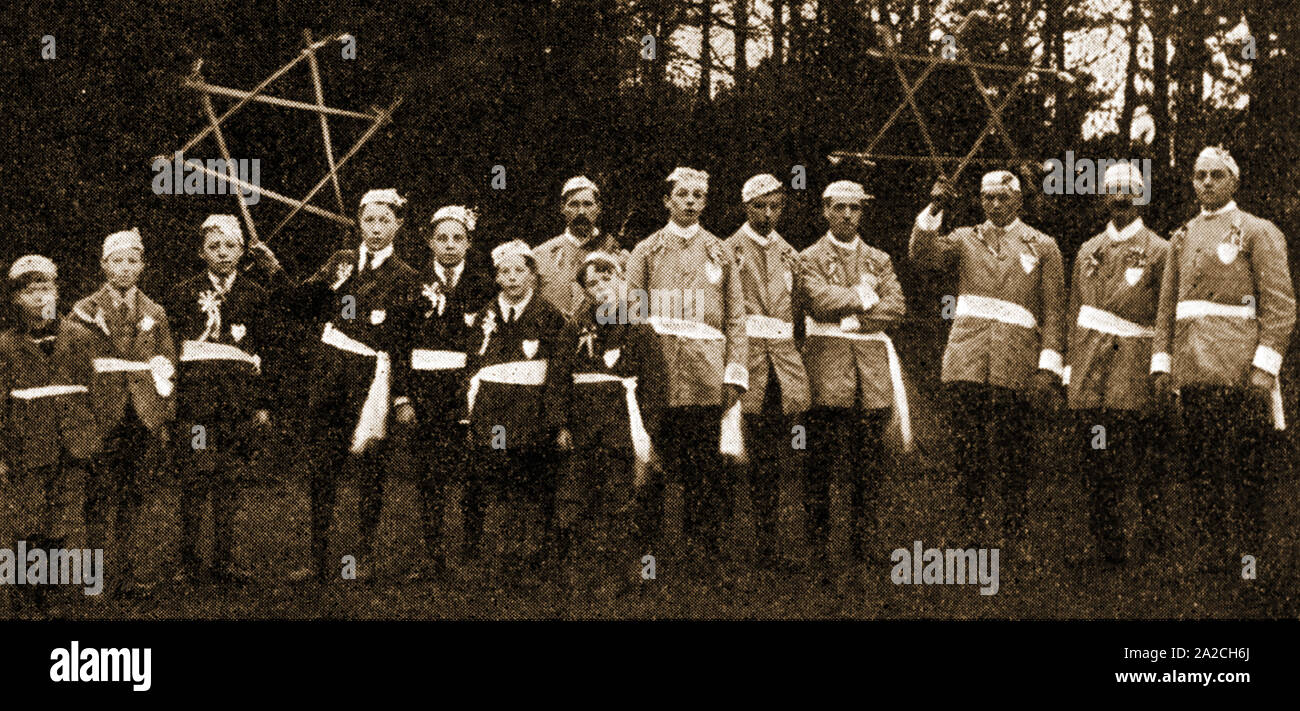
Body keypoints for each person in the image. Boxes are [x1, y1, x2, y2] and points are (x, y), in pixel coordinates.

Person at [256, 189, 421, 584]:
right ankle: (317, 559)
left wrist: (400, 393)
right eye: (369, 220)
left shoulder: (407, 278)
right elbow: (303, 302)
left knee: (371, 467)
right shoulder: (342, 263)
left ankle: (363, 555)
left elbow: (403, 343)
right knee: (322, 467)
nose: (376, 229)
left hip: (374, 377)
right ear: (359, 223)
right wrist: (273, 268)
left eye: (385, 221)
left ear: (398, 224)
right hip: (330, 374)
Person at [1150, 146, 1295, 574]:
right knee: (1202, 466)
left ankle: (1250, 560)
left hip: (1240, 371)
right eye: (1199, 175)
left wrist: (1263, 368)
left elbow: (1281, 306)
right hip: (1193, 369)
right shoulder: (1182, 236)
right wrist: (1163, 365)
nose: (1207, 183)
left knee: (1246, 471)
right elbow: (1167, 307)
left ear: (1234, 181)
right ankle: (1211, 556)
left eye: (1216, 175)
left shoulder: (1256, 230)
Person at [909, 170, 1066, 545]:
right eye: (988, 198)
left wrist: (1048, 368)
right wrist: (935, 207)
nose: (995, 205)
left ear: (1018, 201)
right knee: (967, 451)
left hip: (1017, 364)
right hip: (966, 359)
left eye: (1003, 198)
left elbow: (1055, 312)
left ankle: (1014, 534)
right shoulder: (964, 238)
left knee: (1015, 453)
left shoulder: (1043, 245)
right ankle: (970, 532)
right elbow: (922, 255)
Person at [625, 166, 748, 576]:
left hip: (706, 376)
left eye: (698, 195)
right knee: (653, 465)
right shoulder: (646, 249)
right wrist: (634, 372)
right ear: (667, 200)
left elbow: (735, 317)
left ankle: (704, 553)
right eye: (683, 195)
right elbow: (632, 314)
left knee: (703, 468)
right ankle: (648, 556)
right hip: (657, 375)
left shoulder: (721, 250)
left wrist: (734, 373)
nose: (691, 201)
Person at [163, 214, 279, 585]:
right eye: (214, 246)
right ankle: (188, 561)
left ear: (242, 251)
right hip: (195, 406)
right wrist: (172, 403)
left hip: (238, 405)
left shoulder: (256, 295)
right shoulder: (183, 293)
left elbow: (266, 352)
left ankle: (225, 560)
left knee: (229, 479)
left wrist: (262, 405)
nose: (223, 253)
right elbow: (170, 353)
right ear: (202, 252)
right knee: (195, 477)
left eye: (230, 246)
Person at [799, 180, 908, 572]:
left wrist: (849, 314)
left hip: (872, 373)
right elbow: (815, 300)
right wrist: (864, 296)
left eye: (855, 208)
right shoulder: (808, 257)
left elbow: (895, 309)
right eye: (840, 207)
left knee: (868, 465)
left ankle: (863, 543)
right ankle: (818, 545)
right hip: (825, 370)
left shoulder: (879, 259)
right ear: (825, 210)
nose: (847, 215)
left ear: (863, 212)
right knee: (820, 464)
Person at [1064, 164, 1170, 566]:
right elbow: (1076, 309)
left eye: (1128, 190)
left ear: (1140, 196)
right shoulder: (1087, 249)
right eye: (1112, 191)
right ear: (1103, 198)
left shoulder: (1160, 250)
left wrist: (1161, 366)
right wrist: (1070, 368)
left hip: (1135, 367)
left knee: (1143, 457)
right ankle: (1106, 546)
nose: (1120, 198)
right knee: (1097, 457)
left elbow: (1164, 315)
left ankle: (1153, 543)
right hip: (1091, 369)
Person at [548, 251, 666, 597]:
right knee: (577, 498)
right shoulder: (575, 328)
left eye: (608, 279)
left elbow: (656, 385)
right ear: (585, 290)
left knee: (622, 499)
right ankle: (579, 571)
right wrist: (560, 424)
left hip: (623, 425)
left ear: (622, 281)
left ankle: (627, 572)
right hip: (583, 425)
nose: (601, 288)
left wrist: (648, 430)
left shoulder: (640, 327)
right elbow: (558, 379)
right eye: (593, 283)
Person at [70, 228, 177, 596]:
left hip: (141, 414)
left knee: (135, 496)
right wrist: (82, 419)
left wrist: (162, 413)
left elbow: (166, 366)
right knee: (98, 496)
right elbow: (76, 367)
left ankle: (130, 573)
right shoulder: (85, 310)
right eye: (117, 260)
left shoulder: (155, 312)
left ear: (143, 266)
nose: (125, 268)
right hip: (102, 415)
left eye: (133, 260)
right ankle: (95, 575)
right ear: (104, 265)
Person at [391, 205, 492, 581]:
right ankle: (432, 557)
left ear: (468, 242)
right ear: (430, 241)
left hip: (467, 391)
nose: (450, 246)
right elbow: (398, 344)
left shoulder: (483, 285)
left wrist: (477, 392)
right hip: (424, 392)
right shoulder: (411, 284)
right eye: (442, 238)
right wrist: (402, 398)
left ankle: (469, 556)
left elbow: (488, 342)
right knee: (429, 476)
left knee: (473, 472)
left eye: (458, 239)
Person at [461, 240, 567, 588]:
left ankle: (533, 556)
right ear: (496, 276)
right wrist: (472, 415)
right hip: (494, 412)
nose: (511, 279)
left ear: (533, 275)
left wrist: (555, 420)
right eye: (504, 272)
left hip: (532, 414)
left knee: (533, 482)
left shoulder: (550, 316)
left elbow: (557, 373)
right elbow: (474, 366)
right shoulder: (486, 315)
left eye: (519, 271)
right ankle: (501, 556)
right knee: (499, 479)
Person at [0, 255, 96, 613]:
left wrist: (90, 438)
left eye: (47, 288)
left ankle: (54, 595)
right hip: (27, 448)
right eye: (31, 290)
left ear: (57, 291)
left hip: (72, 445)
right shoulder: (6, 346)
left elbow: (94, 392)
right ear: (15, 298)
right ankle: (28, 596)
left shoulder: (79, 337)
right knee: (28, 523)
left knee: (62, 523)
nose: (41, 297)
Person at [724, 174, 810, 571]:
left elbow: (797, 313)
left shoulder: (791, 254)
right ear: (746, 208)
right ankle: (723, 543)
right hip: (741, 363)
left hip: (781, 366)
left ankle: (767, 543)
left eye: (775, 205)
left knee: (771, 458)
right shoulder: (726, 250)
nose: (768, 213)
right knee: (729, 455)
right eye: (760, 206)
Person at [533, 175, 627, 319]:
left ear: (598, 208)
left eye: (587, 204)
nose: (581, 212)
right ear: (563, 208)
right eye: (574, 205)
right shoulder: (542, 255)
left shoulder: (616, 253)